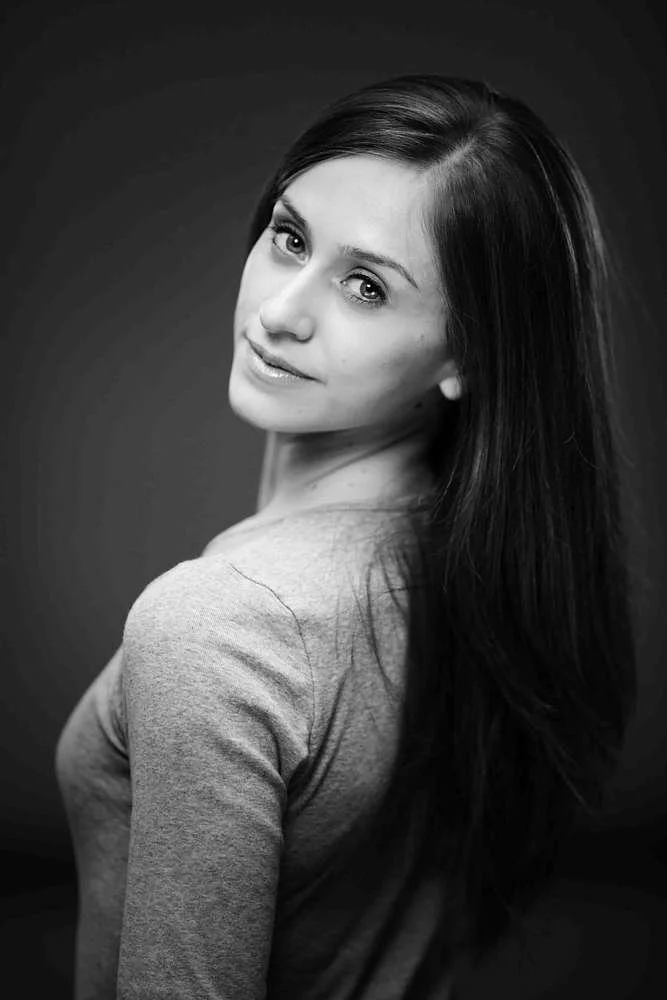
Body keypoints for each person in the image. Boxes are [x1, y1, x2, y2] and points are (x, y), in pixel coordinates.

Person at [55, 74, 638, 999]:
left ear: (469, 357)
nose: (281, 310)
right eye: (288, 237)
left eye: (365, 286)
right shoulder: (476, 570)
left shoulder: (221, 626)